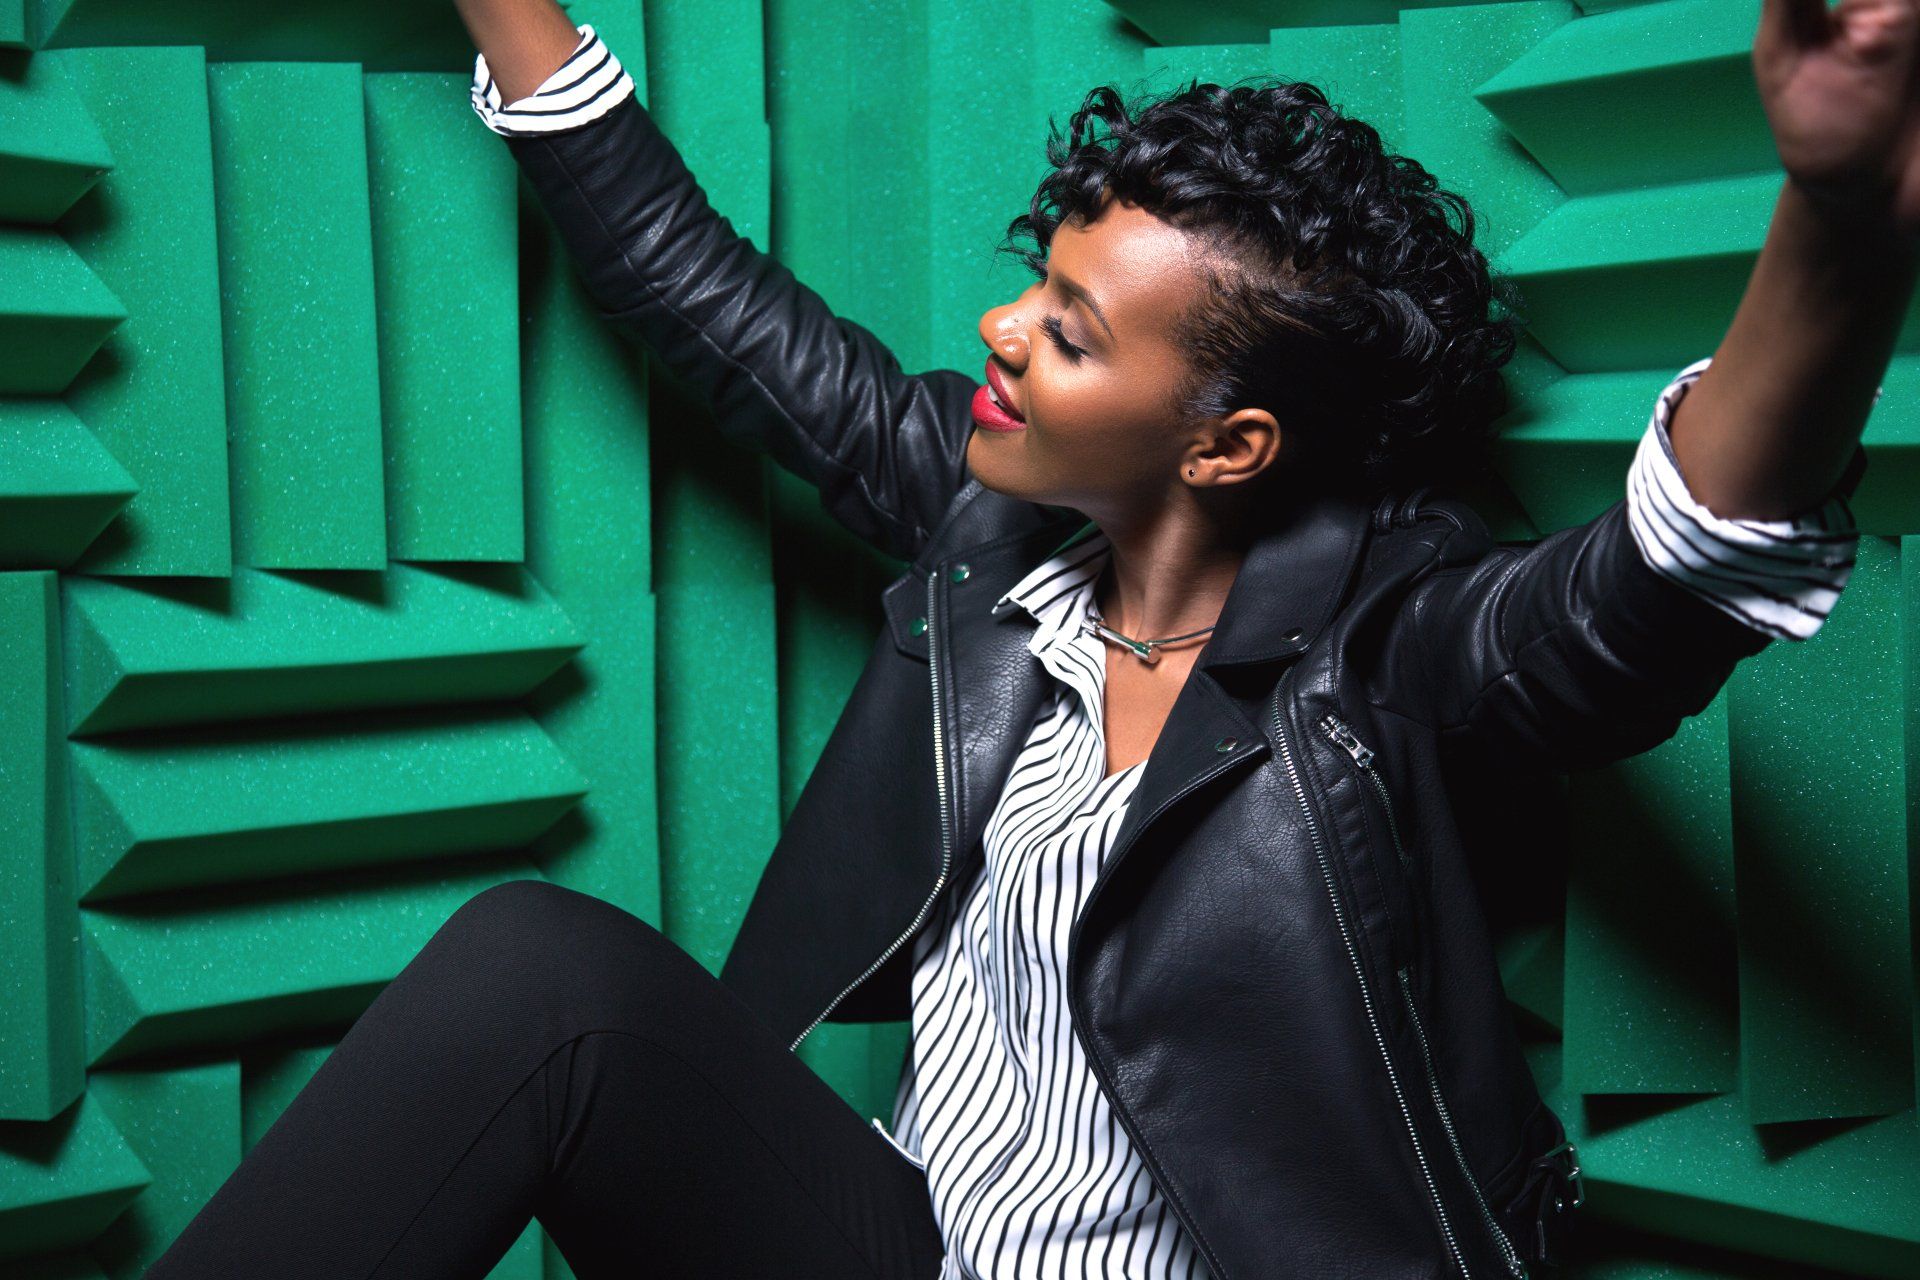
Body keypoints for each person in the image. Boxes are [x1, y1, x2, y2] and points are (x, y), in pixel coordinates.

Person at [144, 0, 1915, 1275]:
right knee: (542, 973)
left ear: (1227, 444)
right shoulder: (990, 529)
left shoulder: (1392, 656)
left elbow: (1654, 579)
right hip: (916, 1240)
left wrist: (1837, 217)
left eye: (1070, 331)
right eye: (1037, 276)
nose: (1000, 328)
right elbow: (697, 293)